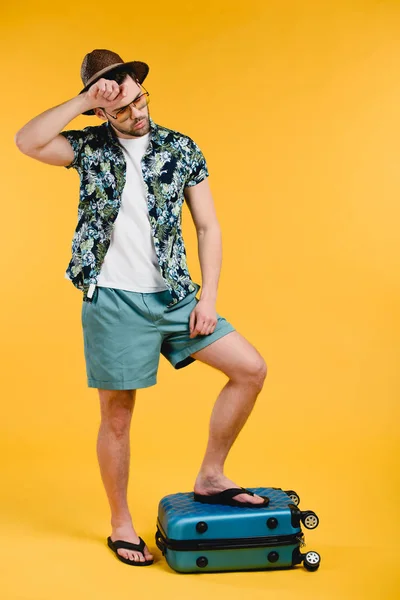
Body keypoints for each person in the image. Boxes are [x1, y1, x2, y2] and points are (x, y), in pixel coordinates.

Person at [15, 49, 268, 567]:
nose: (137, 114)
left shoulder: (181, 147)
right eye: (123, 108)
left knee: (249, 369)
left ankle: (211, 475)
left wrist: (208, 298)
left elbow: (208, 226)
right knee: (118, 418)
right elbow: (27, 140)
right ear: (103, 112)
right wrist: (84, 100)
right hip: (112, 299)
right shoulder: (87, 148)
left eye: (140, 100)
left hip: (175, 296)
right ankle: (121, 524)